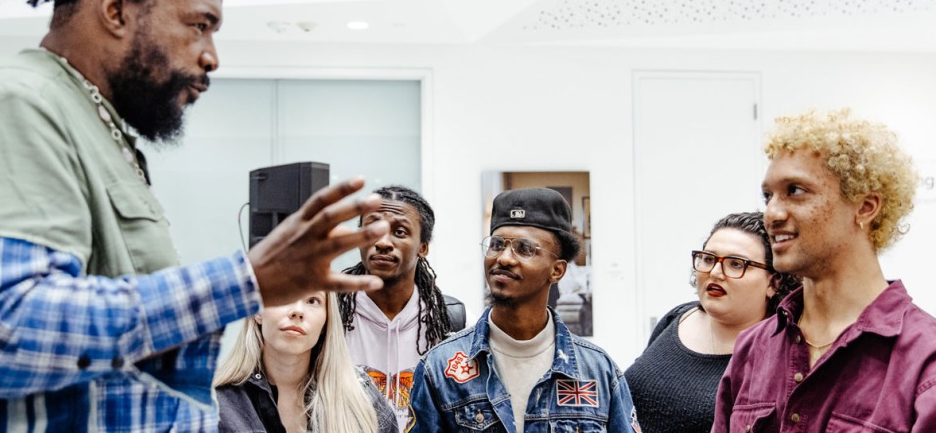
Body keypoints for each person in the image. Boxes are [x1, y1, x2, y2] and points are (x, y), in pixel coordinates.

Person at [0, 0, 387, 431]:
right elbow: (3, 331)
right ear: (115, 11)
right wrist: (244, 281)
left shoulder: (99, 128)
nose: (211, 56)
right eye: (199, 26)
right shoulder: (16, 99)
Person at [713, 108, 936, 431]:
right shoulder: (753, 348)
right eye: (768, 196)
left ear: (865, 206)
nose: (772, 213)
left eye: (795, 191)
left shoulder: (924, 362)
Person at [407, 188, 640, 432]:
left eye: (525, 249)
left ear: (557, 270)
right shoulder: (441, 367)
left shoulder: (597, 371)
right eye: (496, 245)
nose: (504, 258)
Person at [624, 211, 799, 433]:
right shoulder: (676, 318)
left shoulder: (782, 352)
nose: (715, 273)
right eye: (708, 259)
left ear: (773, 282)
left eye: (736, 264)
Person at [338, 185, 465, 431]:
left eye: (399, 231)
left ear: (423, 247)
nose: (383, 242)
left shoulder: (452, 319)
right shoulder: (329, 314)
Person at [215, 291, 397, 433]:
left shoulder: (363, 400)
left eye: (312, 301)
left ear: (326, 321)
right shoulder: (215, 405)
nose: (297, 311)